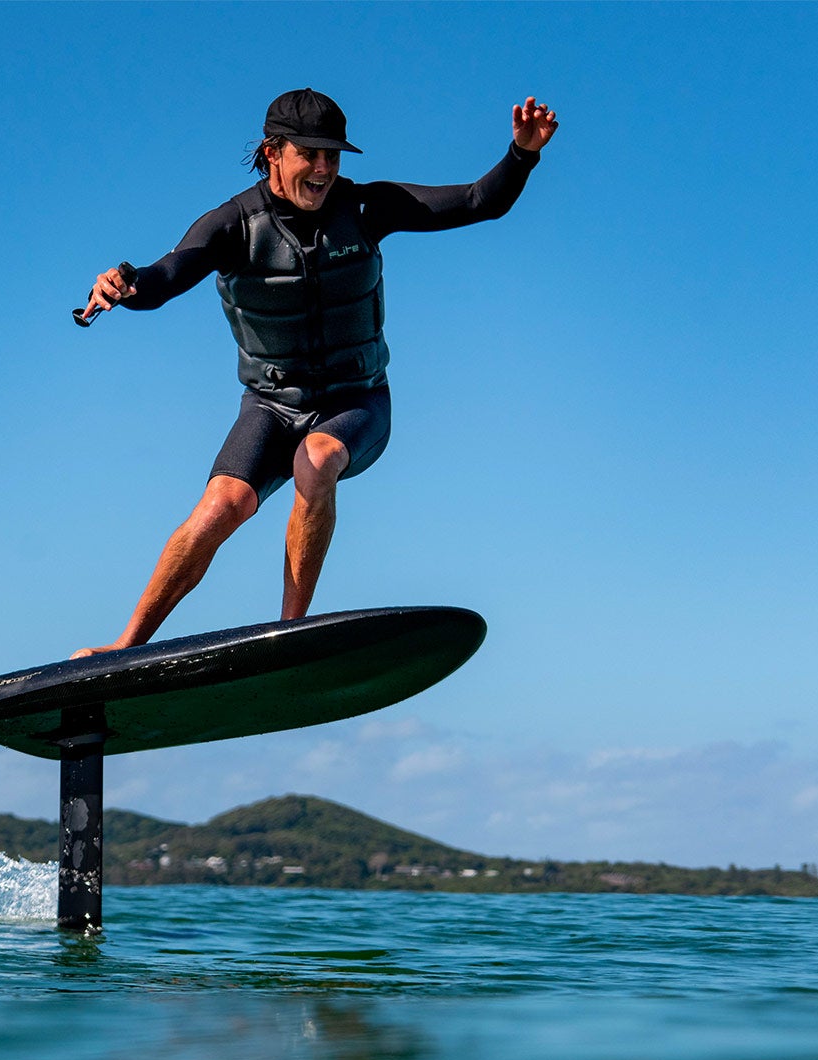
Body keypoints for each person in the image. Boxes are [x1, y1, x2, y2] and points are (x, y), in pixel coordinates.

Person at [72, 88, 558, 658]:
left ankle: (289, 631)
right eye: (311, 153)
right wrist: (127, 283)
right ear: (273, 152)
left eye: (333, 155)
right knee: (218, 507)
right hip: (272, 405)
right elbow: (168, 275)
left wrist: (522, 154)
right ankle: (123, 645)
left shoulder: (366, 208)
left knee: (318, 459)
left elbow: (478, 201)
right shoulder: (233, 225)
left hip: (357, 401)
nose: (325, 168)